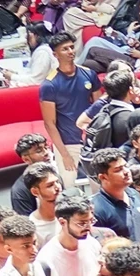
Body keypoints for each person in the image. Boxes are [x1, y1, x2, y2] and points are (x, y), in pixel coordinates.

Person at [39, 32, 101, 177]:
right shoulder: (49, 85)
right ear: (55, 54)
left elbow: (99, 108)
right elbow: (49, 123)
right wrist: (64, 154)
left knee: (98, 183)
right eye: (65, 49)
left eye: (72, 47)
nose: (70, 51)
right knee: (70, 186)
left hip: (91, 140)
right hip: (68, 143)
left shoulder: (89, 74)